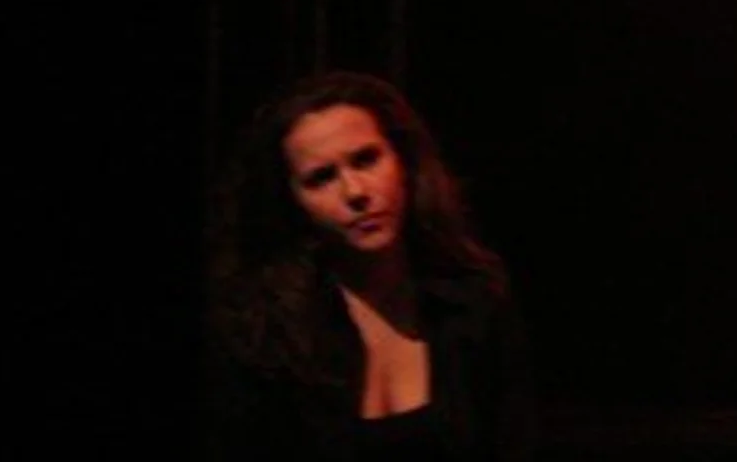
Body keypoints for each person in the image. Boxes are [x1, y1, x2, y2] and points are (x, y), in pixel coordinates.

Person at [205, 70, 539, 461]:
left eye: (366, 159)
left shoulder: (473, 302)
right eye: (321, 178)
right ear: (292, 203)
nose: (355, 192)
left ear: (403, 161)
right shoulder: (269, 333)